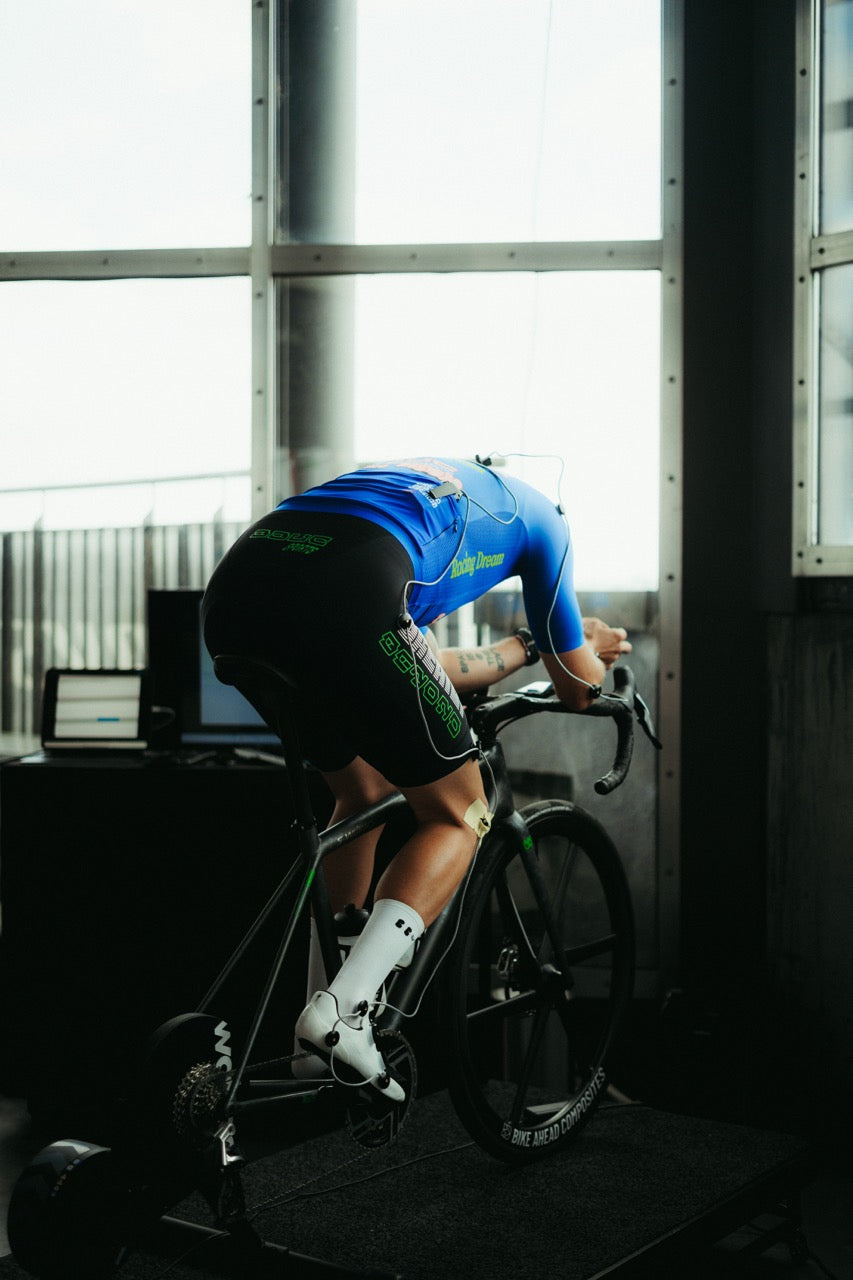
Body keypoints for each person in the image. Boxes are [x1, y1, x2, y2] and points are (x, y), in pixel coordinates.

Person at [201, 455, 630, 1101]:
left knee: (362, 791)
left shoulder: (423, 496)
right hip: (349, 597)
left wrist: (522, 646)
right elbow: (576, 688)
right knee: (461, 812)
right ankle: (342, 1016)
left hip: (236, 599)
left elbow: (416, 660)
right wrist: (592, 649)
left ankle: (314, 1036)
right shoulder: (545, 520)